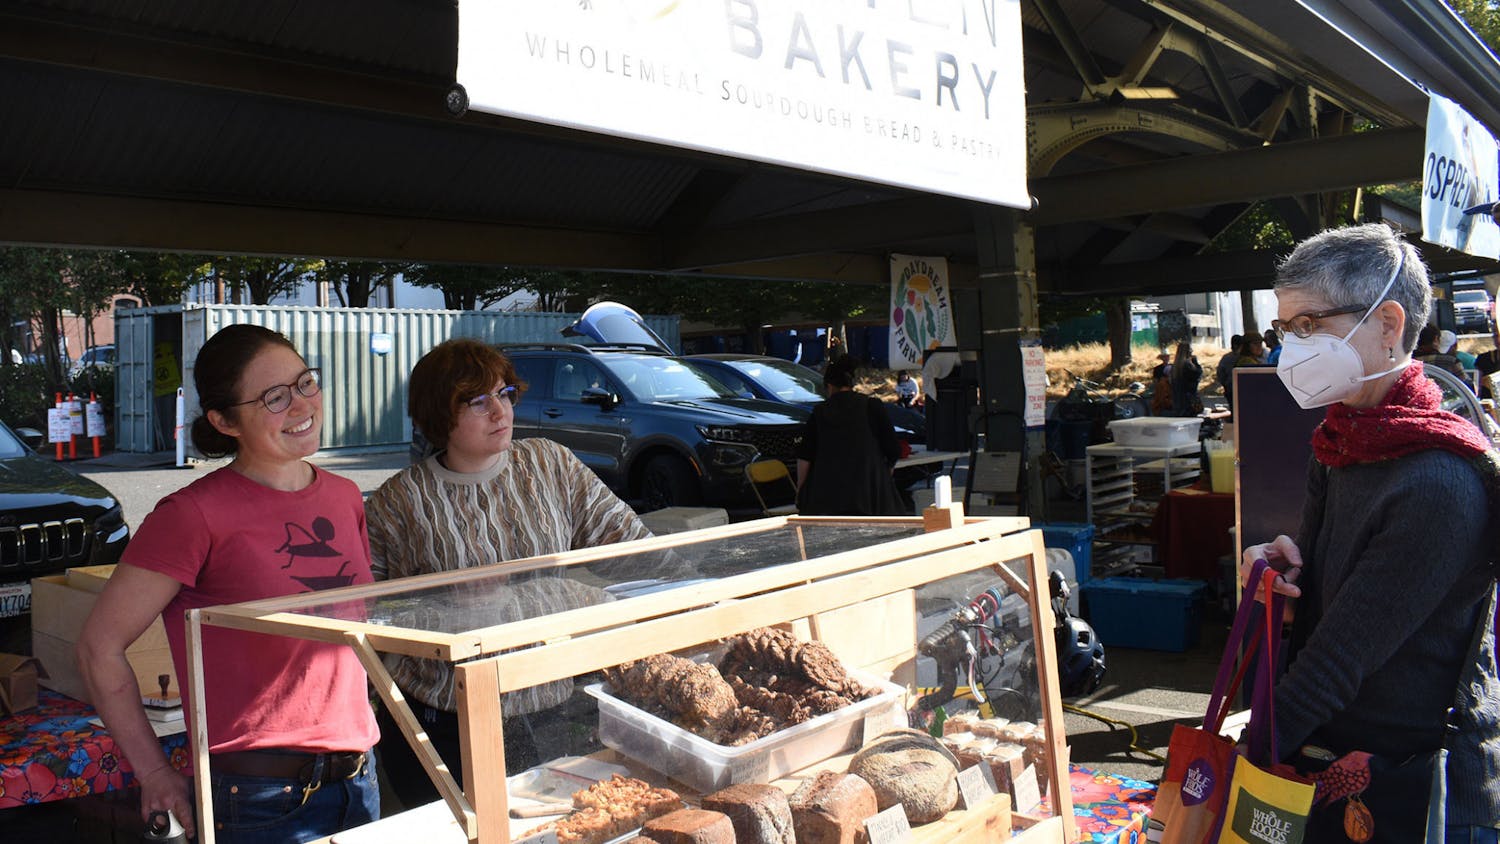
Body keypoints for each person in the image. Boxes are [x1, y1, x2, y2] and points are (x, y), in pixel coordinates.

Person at [1242, 223, 1500, 841]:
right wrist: (1285, 568)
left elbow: (1336, 661)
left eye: (1310, 326)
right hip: (1331, 754)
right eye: (1284, 330)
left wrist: (1245, 757)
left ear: (1388, 324)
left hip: (1412, 784)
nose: (1291, 350)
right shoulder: (1341, 442)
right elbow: (1332, 599)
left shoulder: (1438, 481)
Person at [77, 325, 380, 844]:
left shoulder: (346, 496)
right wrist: (152, 772)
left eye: (305, 382)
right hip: (263, 799)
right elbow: (97, 647)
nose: (301, 404)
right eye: (273, 397)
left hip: (361, 775)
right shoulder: (193, 515)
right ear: (224, 420)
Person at [364, 338, 667, 807]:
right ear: (437, 414)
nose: (499, 412)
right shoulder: (397, 502)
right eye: (477, 401)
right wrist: (447, 607)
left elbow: (633, 547)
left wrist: (710, 589)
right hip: (445, 718)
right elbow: (372, 614)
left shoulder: (549, 463)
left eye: (504, 393)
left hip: (553, 704)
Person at [796, 356, 905, 515]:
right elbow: (893, 449)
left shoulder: (820, 412)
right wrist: (883, 475)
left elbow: (805, 456)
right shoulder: (871, 406)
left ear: (830, 386)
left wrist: (801, 490)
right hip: (869, 494)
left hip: (826, 497)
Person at [1167, 341, 1202, 417]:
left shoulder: (1175, 367)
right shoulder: (1188, 365)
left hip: (1177, 399)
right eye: (1190, 350)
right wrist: (1195, 362)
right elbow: (1197, 374)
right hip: (1188, 400)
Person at [1150, 350, 1174, 415]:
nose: (1166, 358)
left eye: (1167, 356)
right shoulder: (1157, 369)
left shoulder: (1173, 367)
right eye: (1164, 357)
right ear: (1162, 358)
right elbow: (1155, 381)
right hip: (1162, 388)